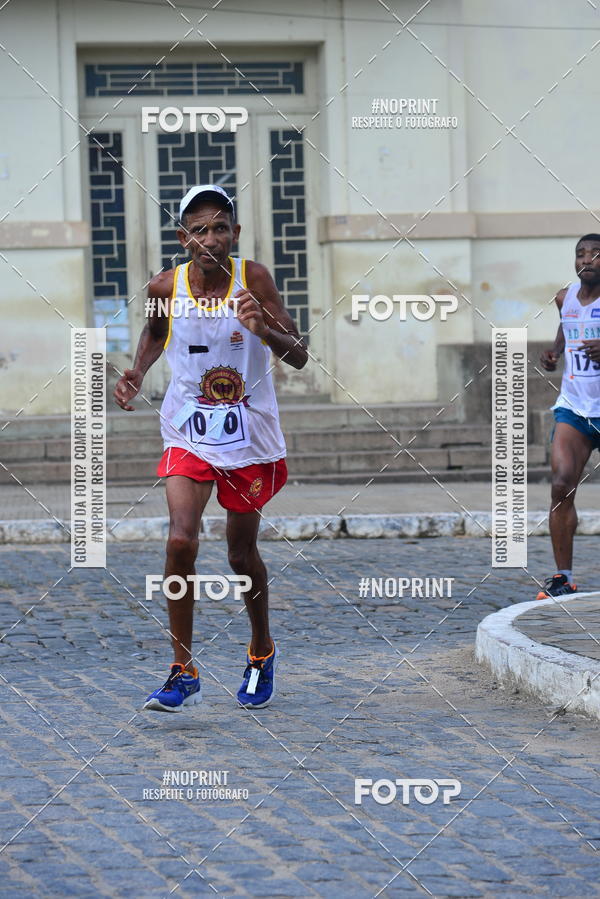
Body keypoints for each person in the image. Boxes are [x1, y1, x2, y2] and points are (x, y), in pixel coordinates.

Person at [114, 184, 307, 709]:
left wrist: (264, 328)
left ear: (235, 234)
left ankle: (261, 649)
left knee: (241, 553)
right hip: (189, 429)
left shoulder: (255, 279)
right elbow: (156, 334)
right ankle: (182, 668)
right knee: (180, 540)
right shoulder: (163, 285)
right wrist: (137, 371)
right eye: (199, 230)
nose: (211, 238)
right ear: (183, 239)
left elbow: (300, 356)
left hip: (250, 436)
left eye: (221, 227)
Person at [538, 233, 600, 599]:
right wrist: (555, 352)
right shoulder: (566, 297)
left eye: (595, 253)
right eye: (580, 254)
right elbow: (567, 323)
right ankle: (563, 578)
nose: (587, 260)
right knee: (561, 485)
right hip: (575, 407)